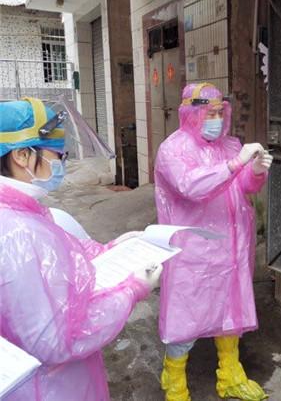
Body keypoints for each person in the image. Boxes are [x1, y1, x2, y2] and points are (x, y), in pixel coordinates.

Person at [0, 98, 162, 401]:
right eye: (57, 155)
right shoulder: (18, 233)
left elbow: (62, 256)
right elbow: (55, 340)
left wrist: (112, 249)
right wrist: (130, 291)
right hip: (50, 389)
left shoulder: (22, 212)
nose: (61, 163)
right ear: (22, 155)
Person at [154, 83, 272, 401]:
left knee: (230, 311)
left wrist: (255, 172)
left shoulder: (230, 145)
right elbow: (190, 186)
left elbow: (243, 186)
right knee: (186, 317)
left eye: (220, 112)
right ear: (190, 114)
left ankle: (230, 375)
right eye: (209, 113)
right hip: (192, 250)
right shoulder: (173, 150)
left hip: (231, 247)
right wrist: (234, 165)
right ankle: (174, 381)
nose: (216, 119)